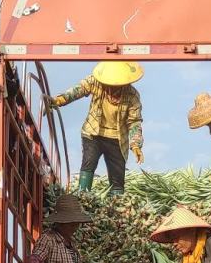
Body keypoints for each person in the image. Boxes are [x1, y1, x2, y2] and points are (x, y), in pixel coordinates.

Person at [47, 62, 144, 194]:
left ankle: (116, 202)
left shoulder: (132, 96)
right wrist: (60, 100)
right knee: (89, 162)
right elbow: (79, 89)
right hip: (93, 133)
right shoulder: (95, 82)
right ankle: (83, 196)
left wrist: (136, 145)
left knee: (117, 176)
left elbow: (134, 122)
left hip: (117, 139)